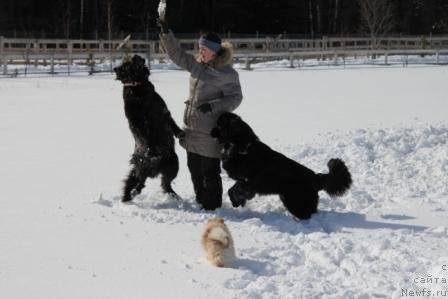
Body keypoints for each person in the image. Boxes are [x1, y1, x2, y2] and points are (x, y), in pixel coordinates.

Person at [159, 20, 243, 210]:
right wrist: (166, 34)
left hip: (210, 133)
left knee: (209, 172)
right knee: (194, 169)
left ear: (214, 51)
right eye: (199, 48)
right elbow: (176, 54)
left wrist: (213, 106)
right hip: (192, 130)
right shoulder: (197, 65)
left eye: (204, 49)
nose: (201, 52)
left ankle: (213, 206)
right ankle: (201, 201)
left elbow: (236, 97)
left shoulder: (226, 73)